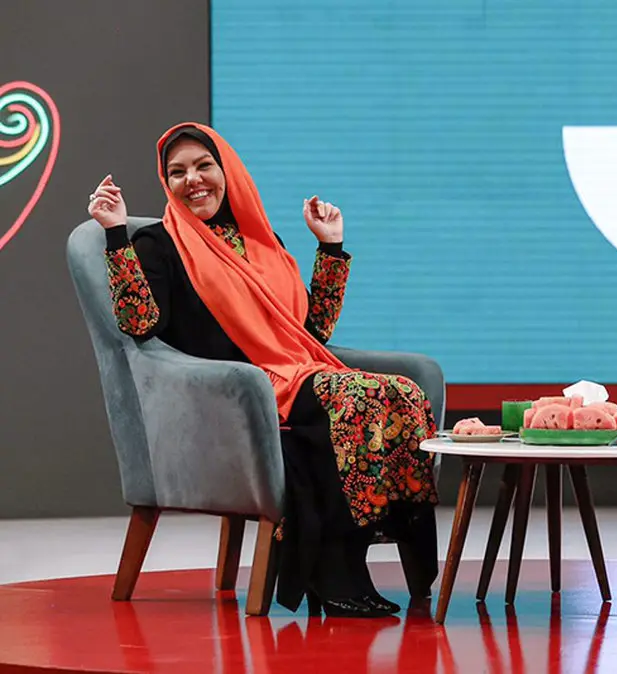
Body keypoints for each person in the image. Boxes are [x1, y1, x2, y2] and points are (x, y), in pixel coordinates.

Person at [87, 123, 439, 619]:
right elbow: (139, 324)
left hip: (293, 374)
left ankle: (385, 559)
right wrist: (115, 233)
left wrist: (330, 247)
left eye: (204, 166)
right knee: (354, 396)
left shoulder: (262, 241)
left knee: (402, 391)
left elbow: (310, 332)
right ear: (166, 183)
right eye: (177, 172)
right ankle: (336, 577)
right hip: (231, 394)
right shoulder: (157, 243)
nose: (193, 180)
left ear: (228, 170)